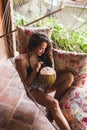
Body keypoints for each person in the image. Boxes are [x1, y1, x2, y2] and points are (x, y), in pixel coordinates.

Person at [15, 32, 74, 130]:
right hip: (33, 89)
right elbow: (26, 84)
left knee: (69, 76)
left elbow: (50, 68)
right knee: (54, 103)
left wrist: (50, 64)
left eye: (45, 48)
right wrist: (34, 70)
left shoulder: (44, 55)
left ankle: (51, 112)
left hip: (45, 83)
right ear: (33, 46)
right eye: (41, 48)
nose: (43, 51)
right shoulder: (22, 60)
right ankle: (52, 109)